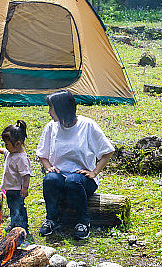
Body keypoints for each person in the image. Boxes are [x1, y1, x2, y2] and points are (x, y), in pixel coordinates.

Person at [36, 90, 115, 240]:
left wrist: (94, 172)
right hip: (60, 179)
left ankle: (83, 223)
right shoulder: (51, 127)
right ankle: (52, 219)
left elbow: (108, 151)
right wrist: (48, 167)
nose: (49, 112)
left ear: (62, 109)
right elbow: (42, 154)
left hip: (81, 181)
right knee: (50, 179)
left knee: (73, 181)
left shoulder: (87, 126)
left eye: (51, 108)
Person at [0, 120, 32, 241]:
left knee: (18, 207)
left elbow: (26, 175)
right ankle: (14, 223)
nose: (5, 146)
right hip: (10, 189)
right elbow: (3, 151)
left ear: (18, 143)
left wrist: (24, 188)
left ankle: (21, 226)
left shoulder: (21, 158)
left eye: (7, 144)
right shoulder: (11, 152)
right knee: (12, 207)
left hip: (17, 190)